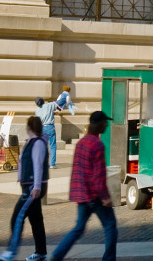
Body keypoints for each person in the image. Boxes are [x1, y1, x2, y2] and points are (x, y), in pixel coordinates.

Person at [50, 111, 117, 261]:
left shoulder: (81, 143)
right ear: (99, 124)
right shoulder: (97, 145)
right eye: (105, 122)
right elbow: (98, 175)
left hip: (82, 195)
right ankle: (109, 259)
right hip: (95, 196)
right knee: (110, 226)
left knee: (78, 228)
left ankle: (57, 255)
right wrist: (105, 197)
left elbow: (77, 171)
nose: (107, 124)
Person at [0, 115, 49, 261]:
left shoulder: (38, 143)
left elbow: (38, 165)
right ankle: (41, 252)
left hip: (31, 187)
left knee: (17, 217)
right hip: (30, 185)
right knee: (36, 219)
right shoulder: (34, 142)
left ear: (29, 127)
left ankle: (10, 251)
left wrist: (37, 186)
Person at [35, 95, 60, 169]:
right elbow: (58, 105)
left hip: (42, 128)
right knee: (52, 146)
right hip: (50, 127)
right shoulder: (49, 105)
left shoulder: (37, 111)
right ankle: (52, 164)